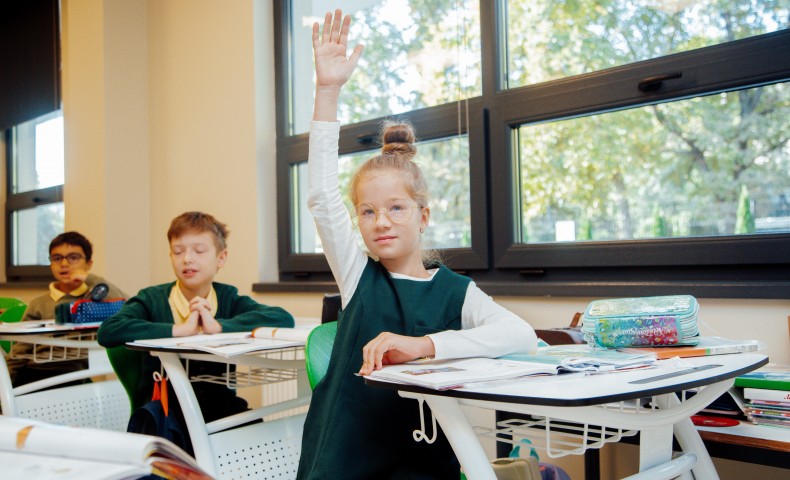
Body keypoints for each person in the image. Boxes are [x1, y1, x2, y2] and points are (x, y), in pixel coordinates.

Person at [297, 9, 539, 479]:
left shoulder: (456, 291)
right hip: (345, 461)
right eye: (367, 212)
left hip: (424, 463)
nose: (380, 222)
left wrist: (424, 345)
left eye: (396, 209)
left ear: (423, 216)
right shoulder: (357, 273)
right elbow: (323, 197)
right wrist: (328, 91)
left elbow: (521, 336)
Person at [98, 211, 295, 423]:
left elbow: (282, 318)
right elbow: (109, 331)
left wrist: (219, 326)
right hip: (166, 413)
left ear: (221, 258)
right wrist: (178, 330)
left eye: (199, 251)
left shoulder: (227, 297)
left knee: (256, 432)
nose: (187, 259)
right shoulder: (152, 298)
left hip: (218, 408)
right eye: (178, 251)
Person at [8, 231, 127, 386]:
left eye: (73, 257)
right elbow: (21, 348)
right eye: (57, 258)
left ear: (89, 263)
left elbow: (127, 304)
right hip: (36, 367)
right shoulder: (38, 303)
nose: (64, 264)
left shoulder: (94, 297)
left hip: (74, 368)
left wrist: (89, 278)